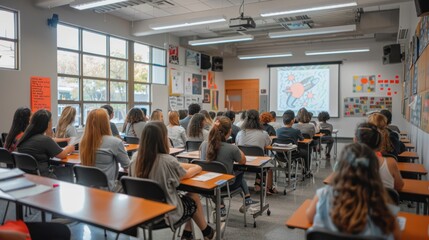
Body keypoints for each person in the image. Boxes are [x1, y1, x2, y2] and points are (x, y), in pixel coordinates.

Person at [129, 122, 215, 240]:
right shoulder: (168, 161)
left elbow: (175, 167)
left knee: (187, 200)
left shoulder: (134, 159)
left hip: (140, 210)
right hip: (165, 213)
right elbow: (186, 174)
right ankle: (206, 231)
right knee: (192, 197)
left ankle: (190, 235)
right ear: (163, 138)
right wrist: (197, 167)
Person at [306, 143, 400, 240]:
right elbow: (396, 235)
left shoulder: (324, 195)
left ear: (341, 167)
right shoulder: (383, 203)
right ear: (374, 171)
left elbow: (309, 217)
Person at [200, 117, 258, 214]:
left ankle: (221, 206)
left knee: (215, 176)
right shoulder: (232, 148)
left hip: (206, 185)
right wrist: (236, 147)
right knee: (239, 172)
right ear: (229, 131)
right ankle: (247, 199)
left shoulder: (204, 145)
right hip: (226, 186)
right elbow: (243, 161)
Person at [80, 109, 130, 190]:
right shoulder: (115, 142)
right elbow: (127, 166)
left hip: (88, 190)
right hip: (108, 189)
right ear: (106, 123)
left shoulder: (83, 142)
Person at [17, 109, 75, 177]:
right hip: (44, 178)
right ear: (47, 123)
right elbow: (62, 155)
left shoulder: (24, 138)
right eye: (51, 121)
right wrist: (69, 148)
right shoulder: (44, 140)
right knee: (66, 172)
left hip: (27, 177)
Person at [235, 110, 276, 193]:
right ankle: (269, 188)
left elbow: (237, 144)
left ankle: (258, 183)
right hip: (258, 164)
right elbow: (268, 143)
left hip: (242, 162)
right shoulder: (263, 133)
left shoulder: (240, 133)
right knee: (270, 163)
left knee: (260, 157)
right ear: (258, 120)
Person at [354, 122, 404, 190]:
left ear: (355, 140)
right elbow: (399, 186)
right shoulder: (390, 163)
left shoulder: (344, 163)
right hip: (384, 200)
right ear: (380, 142)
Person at [0, 221, 70, 240]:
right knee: (62, 232)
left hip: (15, 228)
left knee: (63, 231)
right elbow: (22, 237)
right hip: (16, 233)